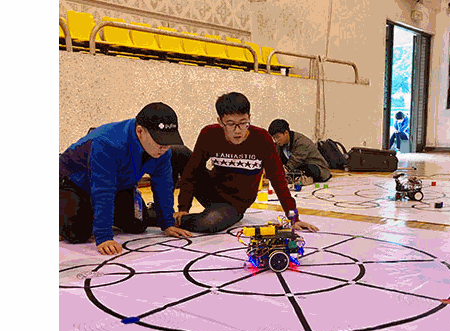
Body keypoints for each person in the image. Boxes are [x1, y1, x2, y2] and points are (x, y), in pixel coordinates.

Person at [59, 103, 191, 257]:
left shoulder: (162, 149)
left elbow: (164, 185)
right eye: (160, 141)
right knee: (77, 234)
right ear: (140, 131)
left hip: (120, 184)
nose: (165, 147)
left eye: (169, 141)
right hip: (74, 182)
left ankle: (93, 212)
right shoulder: (107, 143)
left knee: (138, 224)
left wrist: (167, 223)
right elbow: (103, 190)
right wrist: (104, 236)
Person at [176, 90, 315, 235]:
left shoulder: (262, 139)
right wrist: (183, 208)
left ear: (249, 117)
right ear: (220, 122)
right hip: (210, 190)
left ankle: (168, 219)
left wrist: (293, 217)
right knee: (178, 152)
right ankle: (168, 214)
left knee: (210, 222)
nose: (238, 131)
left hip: (234, 204)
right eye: (231, 124)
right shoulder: (209, 134)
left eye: (243, 123)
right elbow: (192, 171)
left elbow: (278, 179)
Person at [267, 120, 332, 183]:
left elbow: (294, 163)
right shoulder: (279, 144)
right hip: (297, 168)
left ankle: (302, 179)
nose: (276, 140)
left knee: (308, 169)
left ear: (286, 133)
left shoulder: (301, 142)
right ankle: (297, 179)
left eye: (277, 137)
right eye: (273, 138)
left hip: (316, 168)